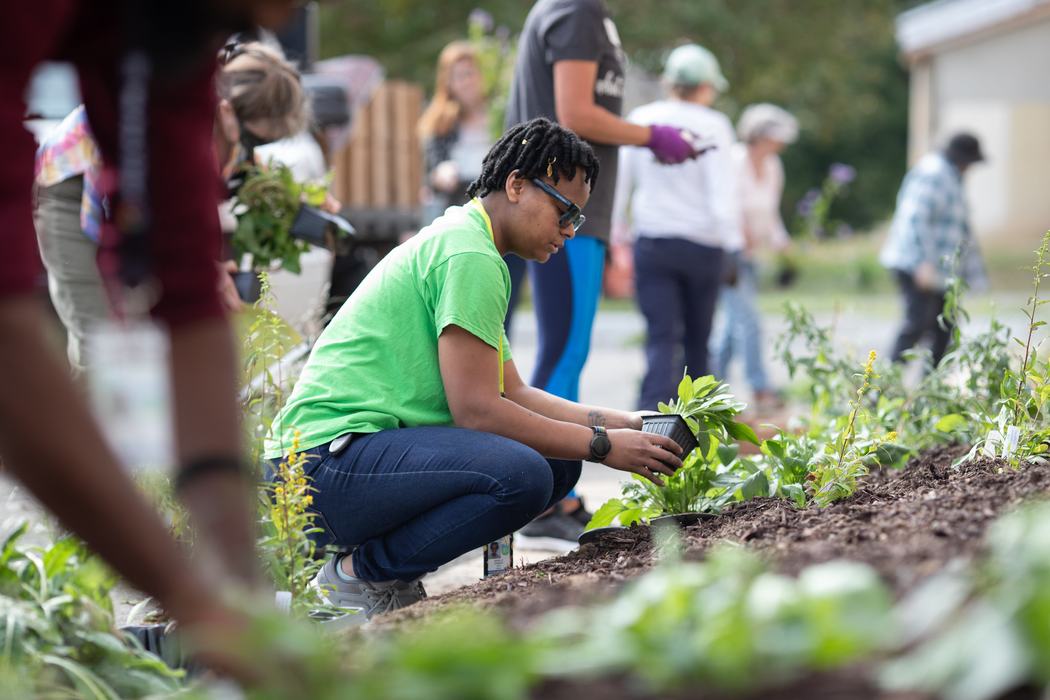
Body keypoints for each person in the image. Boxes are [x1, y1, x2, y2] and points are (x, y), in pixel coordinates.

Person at [264, 119, 684, 622]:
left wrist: (621, 424)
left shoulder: (472, 244)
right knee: (524, 474)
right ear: (516, 184)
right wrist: (601, 447)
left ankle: (377, 573)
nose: (571, 230)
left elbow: (514, 393)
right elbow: (479, 412)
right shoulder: (469, 255)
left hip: (343, 463)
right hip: (318, 470)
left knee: (554, 463)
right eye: (564, 210)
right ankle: (358, 578)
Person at [1, 1, 301, 677]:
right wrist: (192, 599)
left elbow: (185, 283)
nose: (286, 19)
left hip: (91, 191)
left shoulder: (182, 31)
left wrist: (239, 588)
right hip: (67, 192)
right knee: (93, 352)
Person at [503, 0, 702, 544]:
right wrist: (652, 135)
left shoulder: (587, 14)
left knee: (565, 350)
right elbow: (576, 115)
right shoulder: (577, 10)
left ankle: (548, 496)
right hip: (560, 213)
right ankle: (547, 503)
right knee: (564, 351)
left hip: (576, 214)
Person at [35, 41, 309, 374]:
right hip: (71, 189)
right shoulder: (171, 117)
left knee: (141, 345)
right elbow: (140, 205)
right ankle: (84, 423)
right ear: (226, 112)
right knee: (99, 340)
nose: (251, 150)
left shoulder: (214, 130)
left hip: (125, 206)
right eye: (253, 139)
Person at [611, 43, 740, 410]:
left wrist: (616, 233)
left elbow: (622, 185)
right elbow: (722, 196)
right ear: (705, 86)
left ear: (670, 82)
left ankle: (648, 420)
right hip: (705, 245)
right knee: (699, 340)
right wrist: (733, 247)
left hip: (654, 242)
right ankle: (701, 426)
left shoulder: (641, 119)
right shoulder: (715, 125)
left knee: (660, 337)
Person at [712, 103, 799, 411]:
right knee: (749, 321)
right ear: (760, 135)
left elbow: (770, 212)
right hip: (729, 253)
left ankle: (710, 384)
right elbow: (727, 205)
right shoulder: (735, 160)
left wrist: (783, 245)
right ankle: (760, 387)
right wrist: (741, 232)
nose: (780, 143)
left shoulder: (774, 166)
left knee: (732, 325)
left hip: (752, 255)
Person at [880, 132, 987, 365]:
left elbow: (960, 229)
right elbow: (915, 219)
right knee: (916, 326)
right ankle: (881, 390)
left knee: (944, 329)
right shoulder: (934, 174)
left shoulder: (951, 177)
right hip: (918, 265)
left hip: (940, 270)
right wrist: (923, 262)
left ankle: (930, 390)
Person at [418, 41, 493, 223]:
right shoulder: (441, 122)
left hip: (495, 205)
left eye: (470, 73)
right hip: (459, 208)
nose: (466, 81)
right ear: (448, 83)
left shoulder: (499, 114)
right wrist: (442, 173)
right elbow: (434, 169)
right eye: (458, 76)